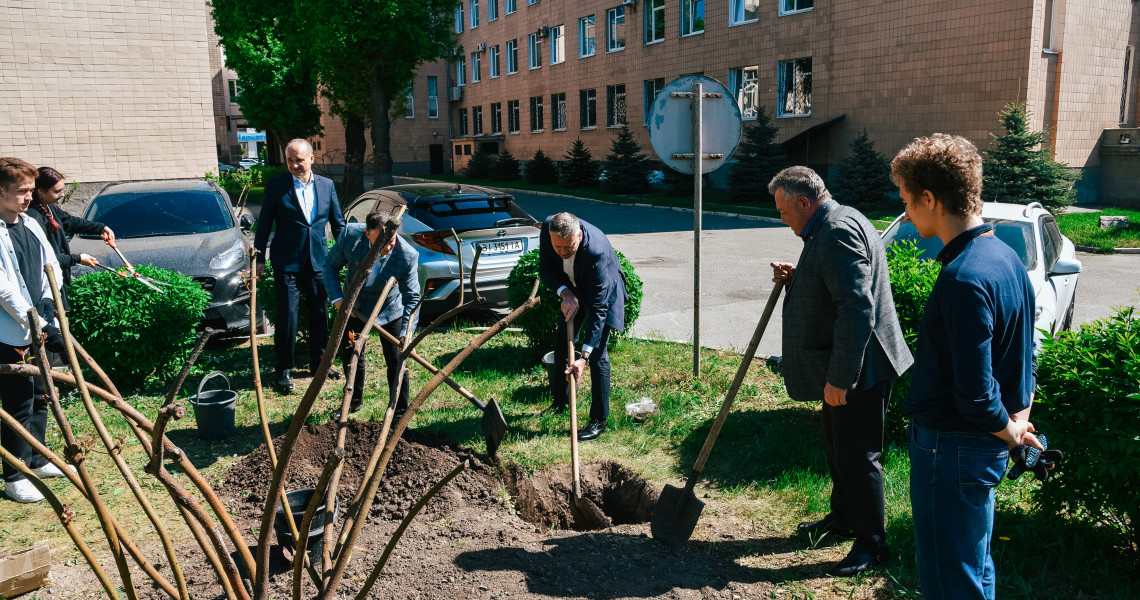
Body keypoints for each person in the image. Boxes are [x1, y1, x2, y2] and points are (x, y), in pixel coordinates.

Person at [890, 134, 1041, 600]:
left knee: (948, 577)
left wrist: (1011, 430)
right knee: (973, 567)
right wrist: (1019, 418)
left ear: (930, 198)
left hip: (952, 449)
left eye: (907, 201)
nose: (906, 212)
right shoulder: (1005, 257)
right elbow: (1024, 355)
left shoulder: (964, 277)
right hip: (979, 447)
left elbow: (975, 394)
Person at [768, 166, 913, 576]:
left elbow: (857, 307)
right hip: (851, 364)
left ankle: (872, 543)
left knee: (859, 454)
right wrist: (800, 278)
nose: (782, 219)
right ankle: (845, 516)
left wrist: (841, 379)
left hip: (860, 368)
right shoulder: (834, 221)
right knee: (838, 446)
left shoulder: (835, 231)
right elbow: (838, 285)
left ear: (803, 202)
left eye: (783, 211)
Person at [254, 139, 345, 394]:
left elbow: (337, 224)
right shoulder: (276, 186)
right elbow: (263, 225)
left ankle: (320, 365)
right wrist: (259, 259)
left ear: (312, 159)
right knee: (288, 317)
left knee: (319, 314)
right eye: (290, 160)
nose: (294, 165)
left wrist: (347, 253)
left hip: (319, 262)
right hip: (287, 263)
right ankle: (284, 370)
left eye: (299, 160)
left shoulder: (327, 186)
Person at [0, 157, 67, 503]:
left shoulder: (31, 223)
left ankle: (37, 458)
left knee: (42, 394)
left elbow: (48, 267)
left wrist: (47, 309)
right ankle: (13, 476)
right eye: (22, 191)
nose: (29, 197)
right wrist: (38, 322)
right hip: (9, 332)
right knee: (19, 402)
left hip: (37, 322)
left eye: (30, 190)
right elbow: (5, 291)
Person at [539, 212, 626, 442]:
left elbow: (599, 309)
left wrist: (583, 357)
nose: (563, 252)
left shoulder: (596, 252)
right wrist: (565, 292)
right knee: (562, 344)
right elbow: (546, 270)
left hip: (603, 291)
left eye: (569, 247)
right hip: (573, 289)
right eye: (558, 247)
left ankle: (599, 420)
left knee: (598, 355)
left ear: (579, 235)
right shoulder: (548, 230)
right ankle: (561, 401)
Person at [324, 211, 419, 416]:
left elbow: (412, 298)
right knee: (352, 355)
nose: (388, 247)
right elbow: (330, 266)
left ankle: (400, 410)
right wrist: (338, 299)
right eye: (382, 242)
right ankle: (353, 401)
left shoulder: (407, 255)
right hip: (354, 307)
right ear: (367, 234)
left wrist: (406, 331)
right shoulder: (351, 237)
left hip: (389, 309)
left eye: (391, 240)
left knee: (396, 360)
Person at [30, 167, 116, 309]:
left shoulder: (50, 208)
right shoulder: (32, 217)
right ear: (40, 191)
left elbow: (71, 222)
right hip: (44, 285)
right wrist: (77, 259)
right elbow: (44, 258)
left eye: (63, 189)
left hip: (58, 280)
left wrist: (100, 228)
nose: (62, 194)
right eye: (57, 191)